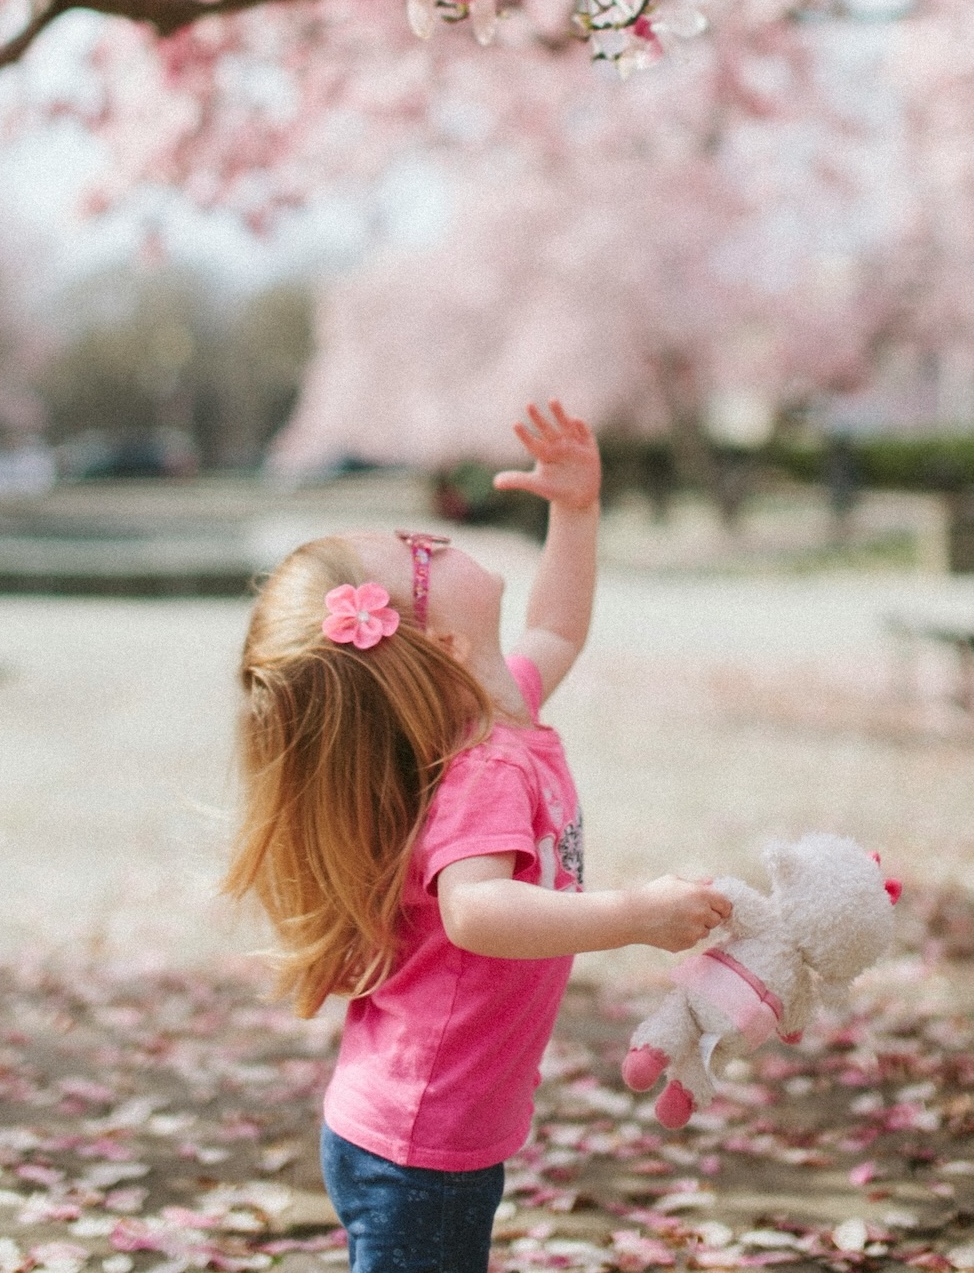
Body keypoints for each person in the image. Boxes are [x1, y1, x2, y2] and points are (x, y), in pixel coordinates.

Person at [224, 400, 732, 1273]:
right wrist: (635, 913)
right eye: (421, 556)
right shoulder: (482, 767)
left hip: (419, 1123)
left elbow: (561, 626)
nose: (434, 536)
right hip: (421, 1143)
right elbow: (478, 909)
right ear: (447, 642)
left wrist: (574, 511)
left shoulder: (503, 705)